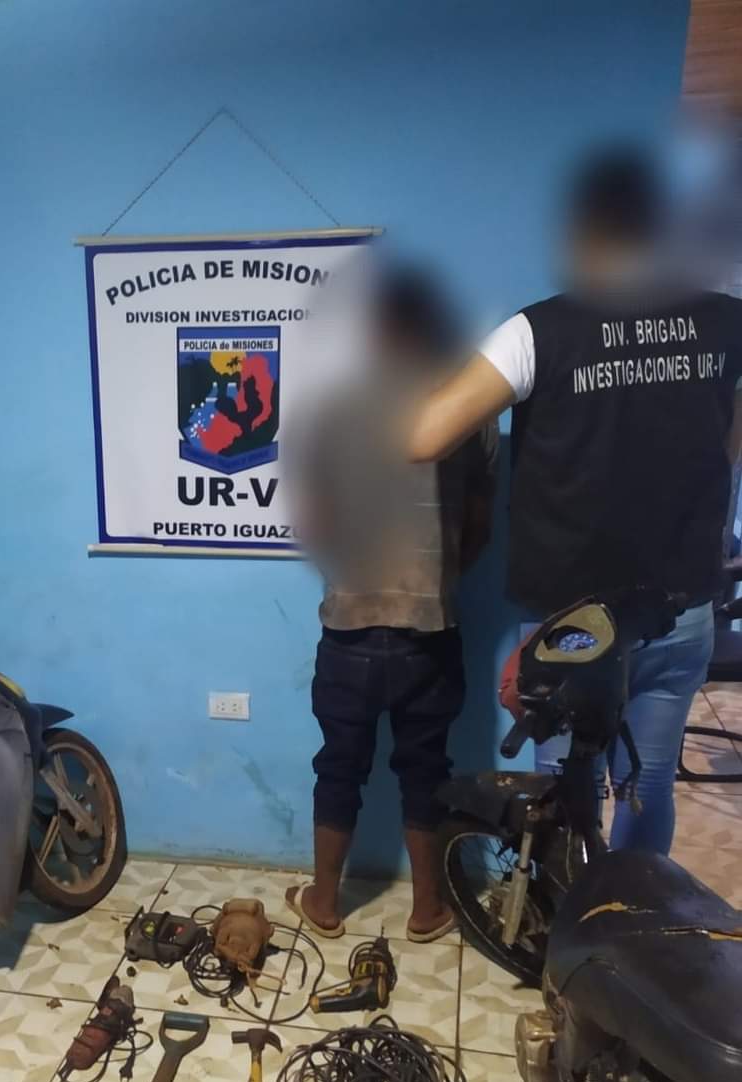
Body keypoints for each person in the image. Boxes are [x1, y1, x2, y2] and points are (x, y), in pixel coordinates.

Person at [407, 146, 742, 855]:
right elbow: (731, 441)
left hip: (575, 620)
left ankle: (566, 913)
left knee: (563, 791)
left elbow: (425, 435)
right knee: (647, 783)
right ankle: (634, 913)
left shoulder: (540, 330)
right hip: (679, 605)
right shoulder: (725, 322)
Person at [286, 263, 498, 941]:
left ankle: (324, 903)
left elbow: (315, 524)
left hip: (348, 629)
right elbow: (481, 522)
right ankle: (427, 910)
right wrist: (439, 579)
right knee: (426, 772)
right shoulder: (466, 406)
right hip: (429, 631)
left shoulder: (330, 409)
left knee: (338, 769)